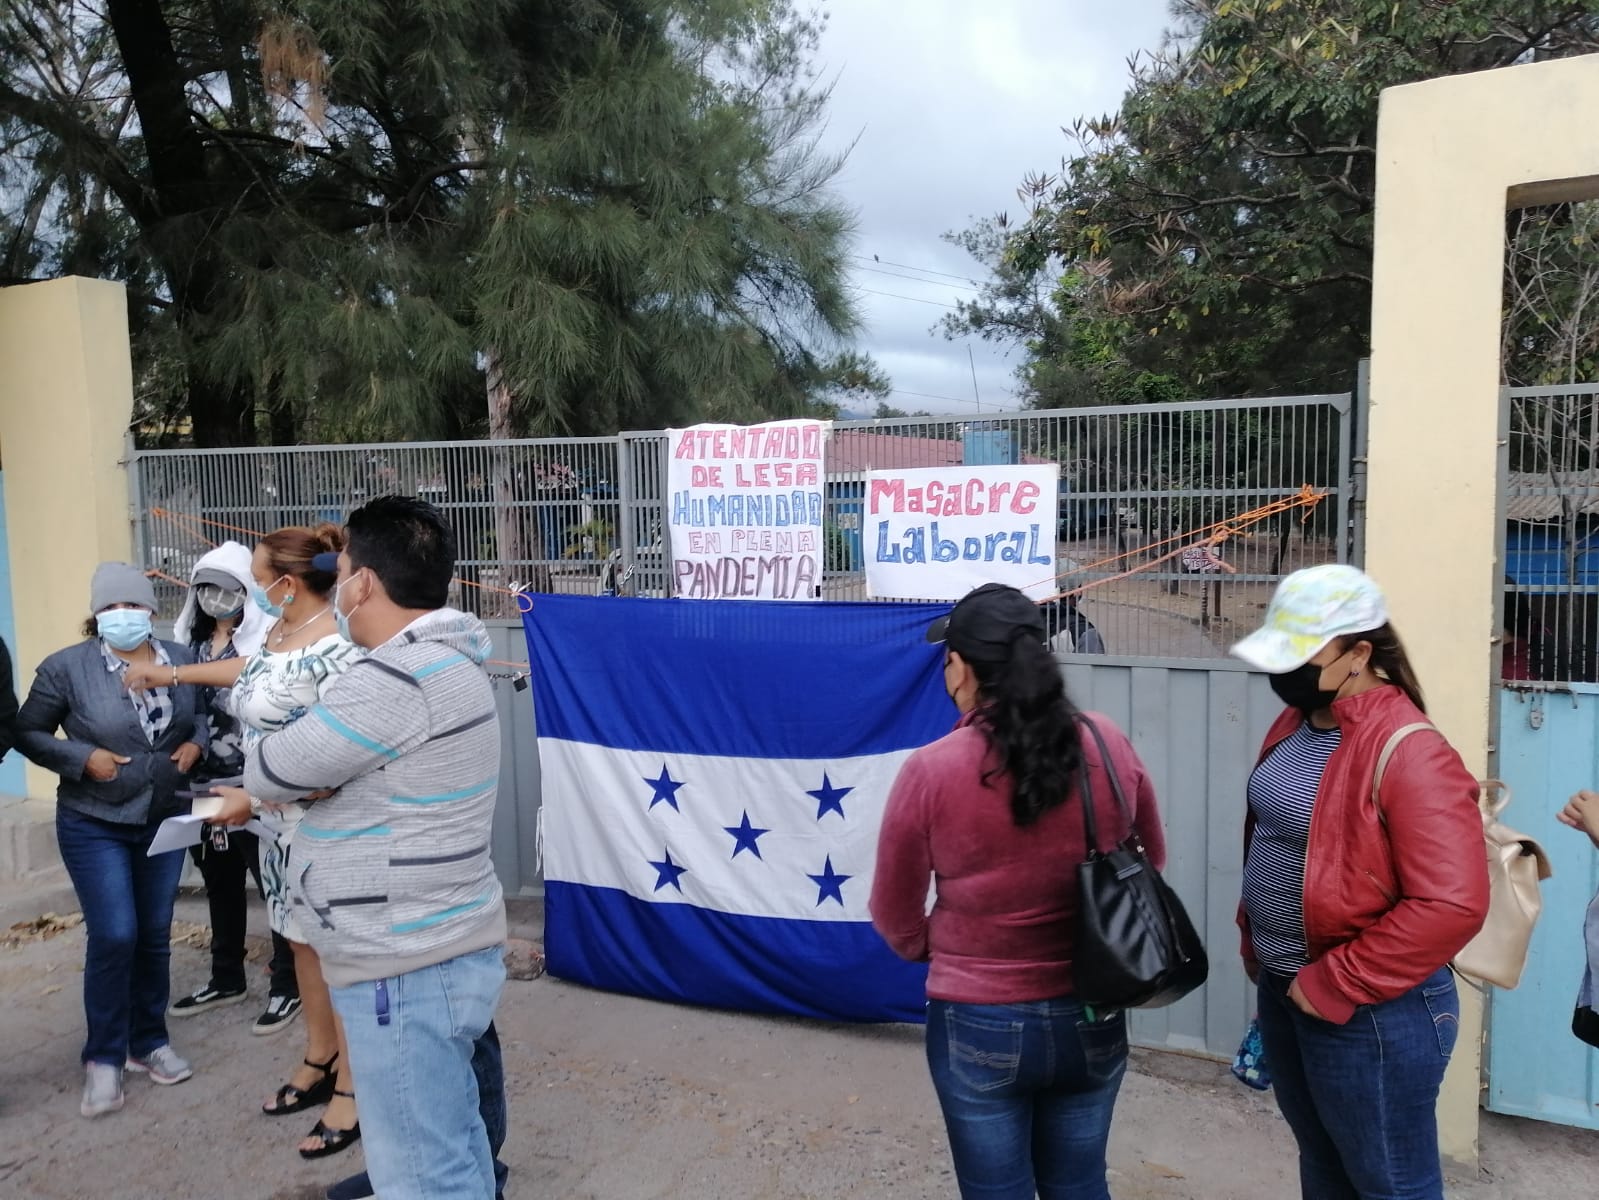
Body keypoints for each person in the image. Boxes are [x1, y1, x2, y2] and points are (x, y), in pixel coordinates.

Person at [218, 496, 507, 1200]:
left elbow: (271, 767)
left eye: (340, 569)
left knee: (421, 1173)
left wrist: (308, 778)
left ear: (364, 584)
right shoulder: (448, 659)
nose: (336, 583)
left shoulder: (393, 679)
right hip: (440, 942)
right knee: (454, 1139)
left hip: (401, 958)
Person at [870, 582, 1166, 1200]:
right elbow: (1149, 863)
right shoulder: (1106, 742)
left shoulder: (931, 770)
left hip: (978, 1018)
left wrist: (941, 948)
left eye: (947, 660)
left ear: (963, 668)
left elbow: (894, 913)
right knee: (1081, 1185)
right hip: (1092, 1009)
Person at [1230, 564, 1490, 1200]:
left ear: (1360, 653)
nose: (1283, 671)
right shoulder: (1299, 723)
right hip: (1288, 988)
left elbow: (1452, 903)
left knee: (1389, 1184)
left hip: (1373, 1014)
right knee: (1323, 1165)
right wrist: (1260, 948)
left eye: (1303, 653)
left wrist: (1334, 982)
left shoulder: (1410, 750)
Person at [128, 525, 364, 1157]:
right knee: (299, 943)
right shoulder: (282, 633)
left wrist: (252, 797)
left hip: (326, 828)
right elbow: (252, 668)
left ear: (289, 584)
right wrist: (169, 675)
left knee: (335, 957)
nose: (254, 594)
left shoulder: (342, 646)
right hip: (279, 827)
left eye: (260, 583)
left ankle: (353, 1087)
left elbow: (338, 759)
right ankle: (319, 1056)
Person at [13, 563, 207, 1117]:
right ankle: (103, 1057)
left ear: (151, 609)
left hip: (163, 816)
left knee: (154, 934)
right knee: (116, 933)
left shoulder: (181, 660)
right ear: (96, 615)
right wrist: (82, 758)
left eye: (134, 606)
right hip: (93, 819)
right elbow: (28, 732)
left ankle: (149, 1041)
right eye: (111, 608)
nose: (123, 616)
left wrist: (193, 746)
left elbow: (198, 719)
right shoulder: (66, 668)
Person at [162, 542, 301, 1029]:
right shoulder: (191, 647)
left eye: (225, 589)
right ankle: (226, 975)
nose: (214, 598)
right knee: (218, 880)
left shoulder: (265, 647)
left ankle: (289, 983)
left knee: (272, 882)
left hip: (253, 786)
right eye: (205, 588)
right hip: (202, 787)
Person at [1045, 557, 1106, 655]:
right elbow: (1094, 669)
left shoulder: (1020, 621)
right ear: (1074, 591)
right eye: (1080, 586)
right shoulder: (1083, 632)